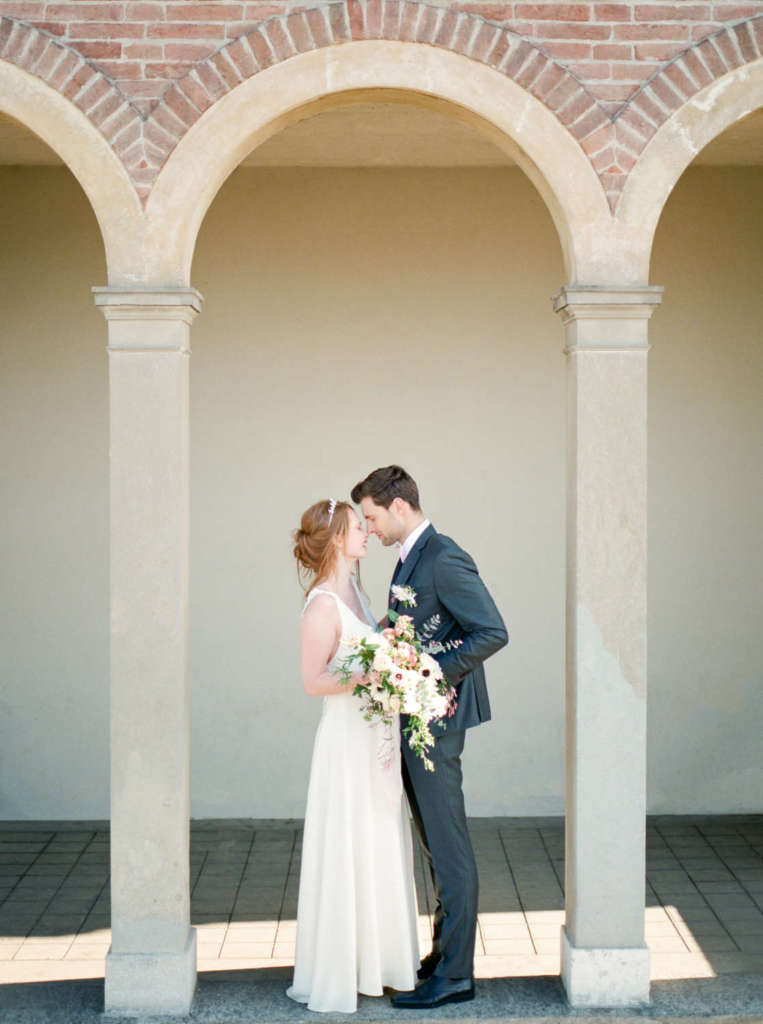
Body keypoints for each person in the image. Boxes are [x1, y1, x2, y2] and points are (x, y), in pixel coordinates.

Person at [351, 466, 508, 1010]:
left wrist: (428, 669)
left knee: (450, 847)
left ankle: (457, 975)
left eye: (371, 517)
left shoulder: (443, 556)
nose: (368, 529)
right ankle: (443, 956)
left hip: (437, 723)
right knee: (434, 847)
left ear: (398, 506)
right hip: (416, 722)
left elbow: (491, 631)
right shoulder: (411, 557)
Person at [286, 498, 419, 1014]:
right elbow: (313, 681)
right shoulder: (322, 604)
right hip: (346, 744)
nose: (367, 534)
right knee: (350, 841)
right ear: (338, 540)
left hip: (375, 738)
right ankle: (342, 967)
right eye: (358, 529)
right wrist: (369, 674)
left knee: (378, 840)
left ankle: (377, 962)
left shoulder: (356, 591)